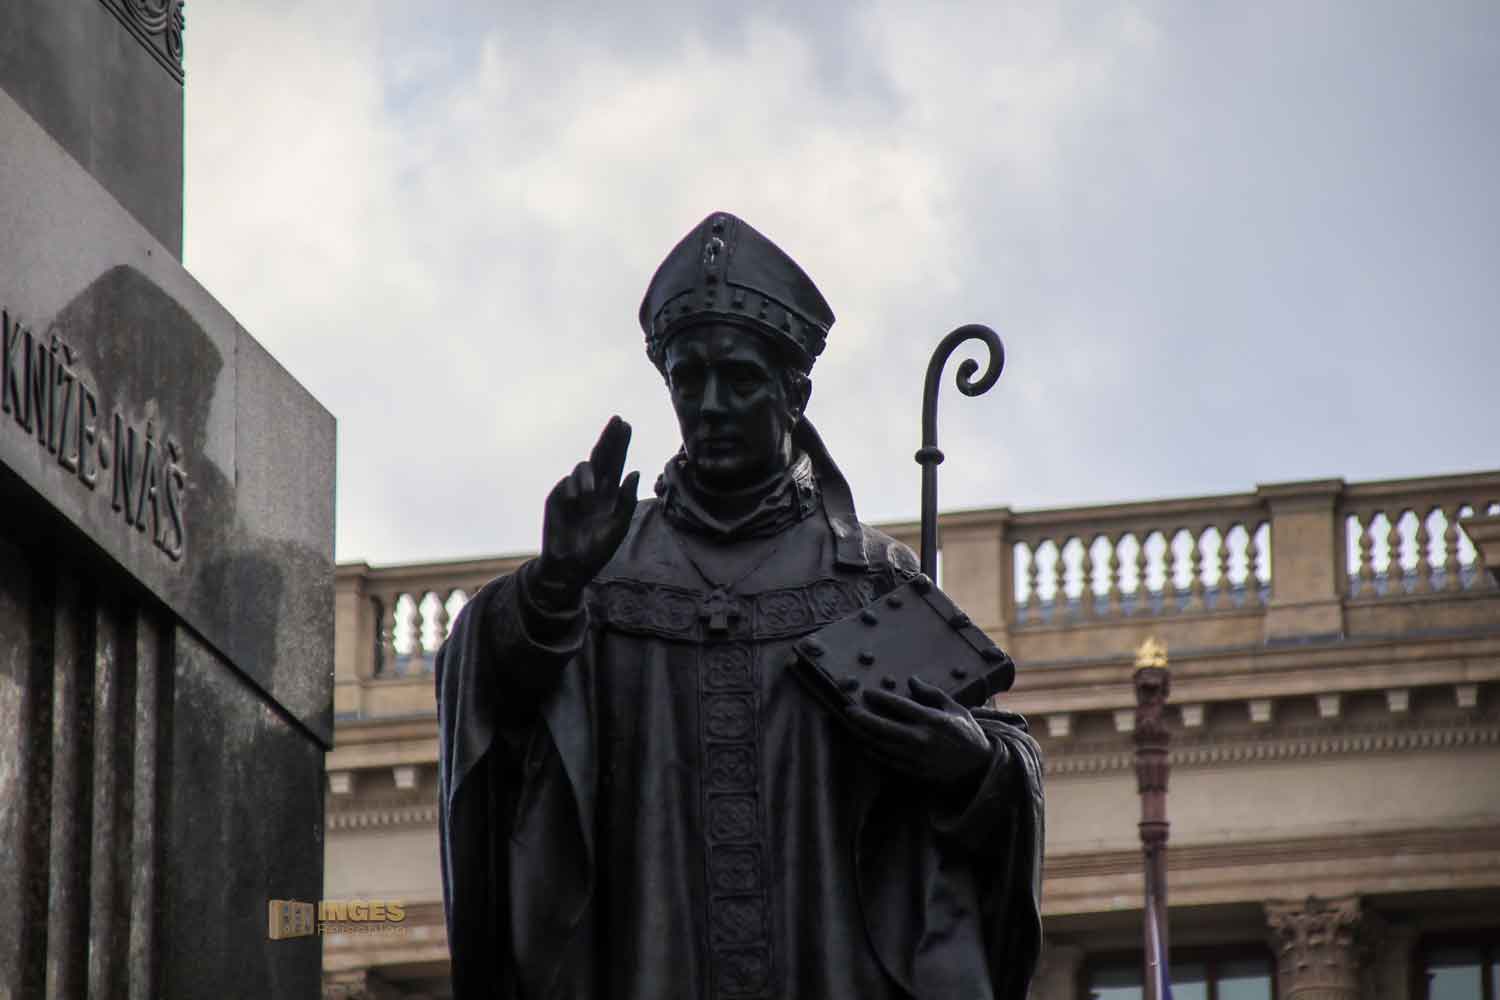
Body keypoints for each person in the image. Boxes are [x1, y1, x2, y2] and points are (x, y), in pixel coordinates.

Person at [436, 212, 1044, 999]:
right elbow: (490, 699)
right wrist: (552, 585)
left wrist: (966, 762)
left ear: (795, 392)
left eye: (741, 378)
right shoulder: (606, 571)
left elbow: (1005, 766)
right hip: (646, 952)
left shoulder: (871, 575)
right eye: (688, 380)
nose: (711, 403)